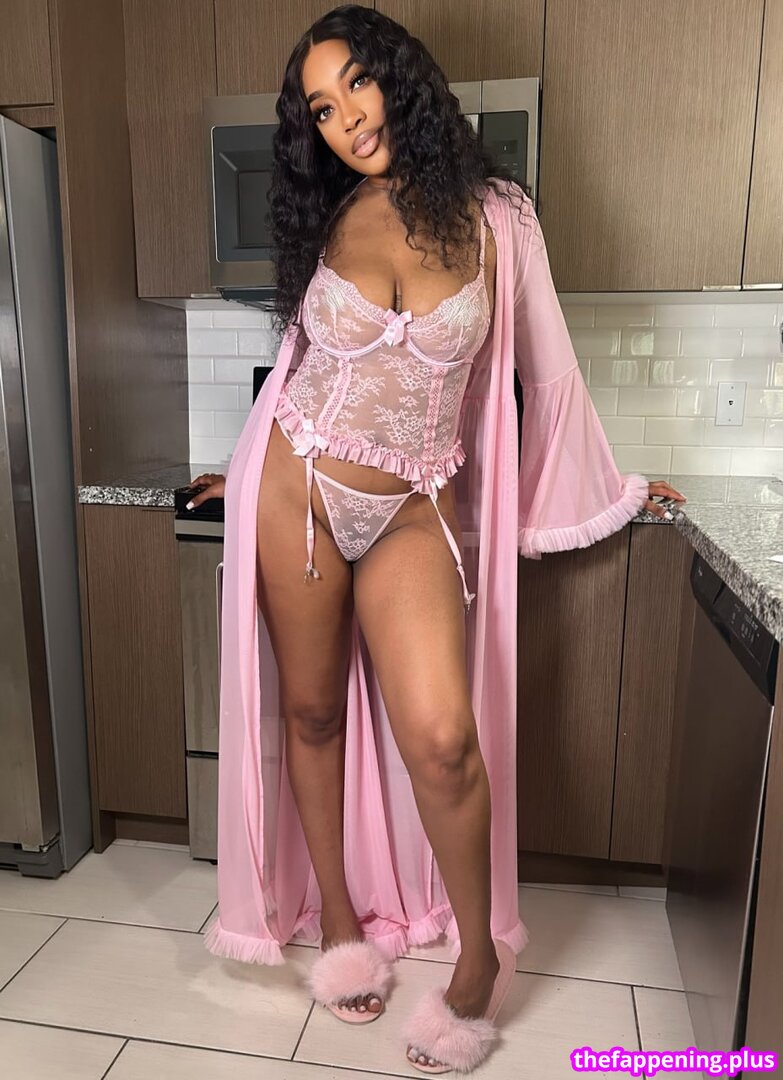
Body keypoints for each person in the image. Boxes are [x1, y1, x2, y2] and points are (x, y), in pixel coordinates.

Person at [193, 5, 686, 1072]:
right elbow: (303, 370)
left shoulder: (499, 217)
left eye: (355, 84)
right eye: (320, 108)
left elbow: (547, 371)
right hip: (298, 489)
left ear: (399, 78)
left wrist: (614, 484)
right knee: (311, 712)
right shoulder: (333, 216)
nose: (344, 118)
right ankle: (338, 924)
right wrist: (241, 463)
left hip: (414, 507)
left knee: (444, 742)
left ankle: (475, 961)